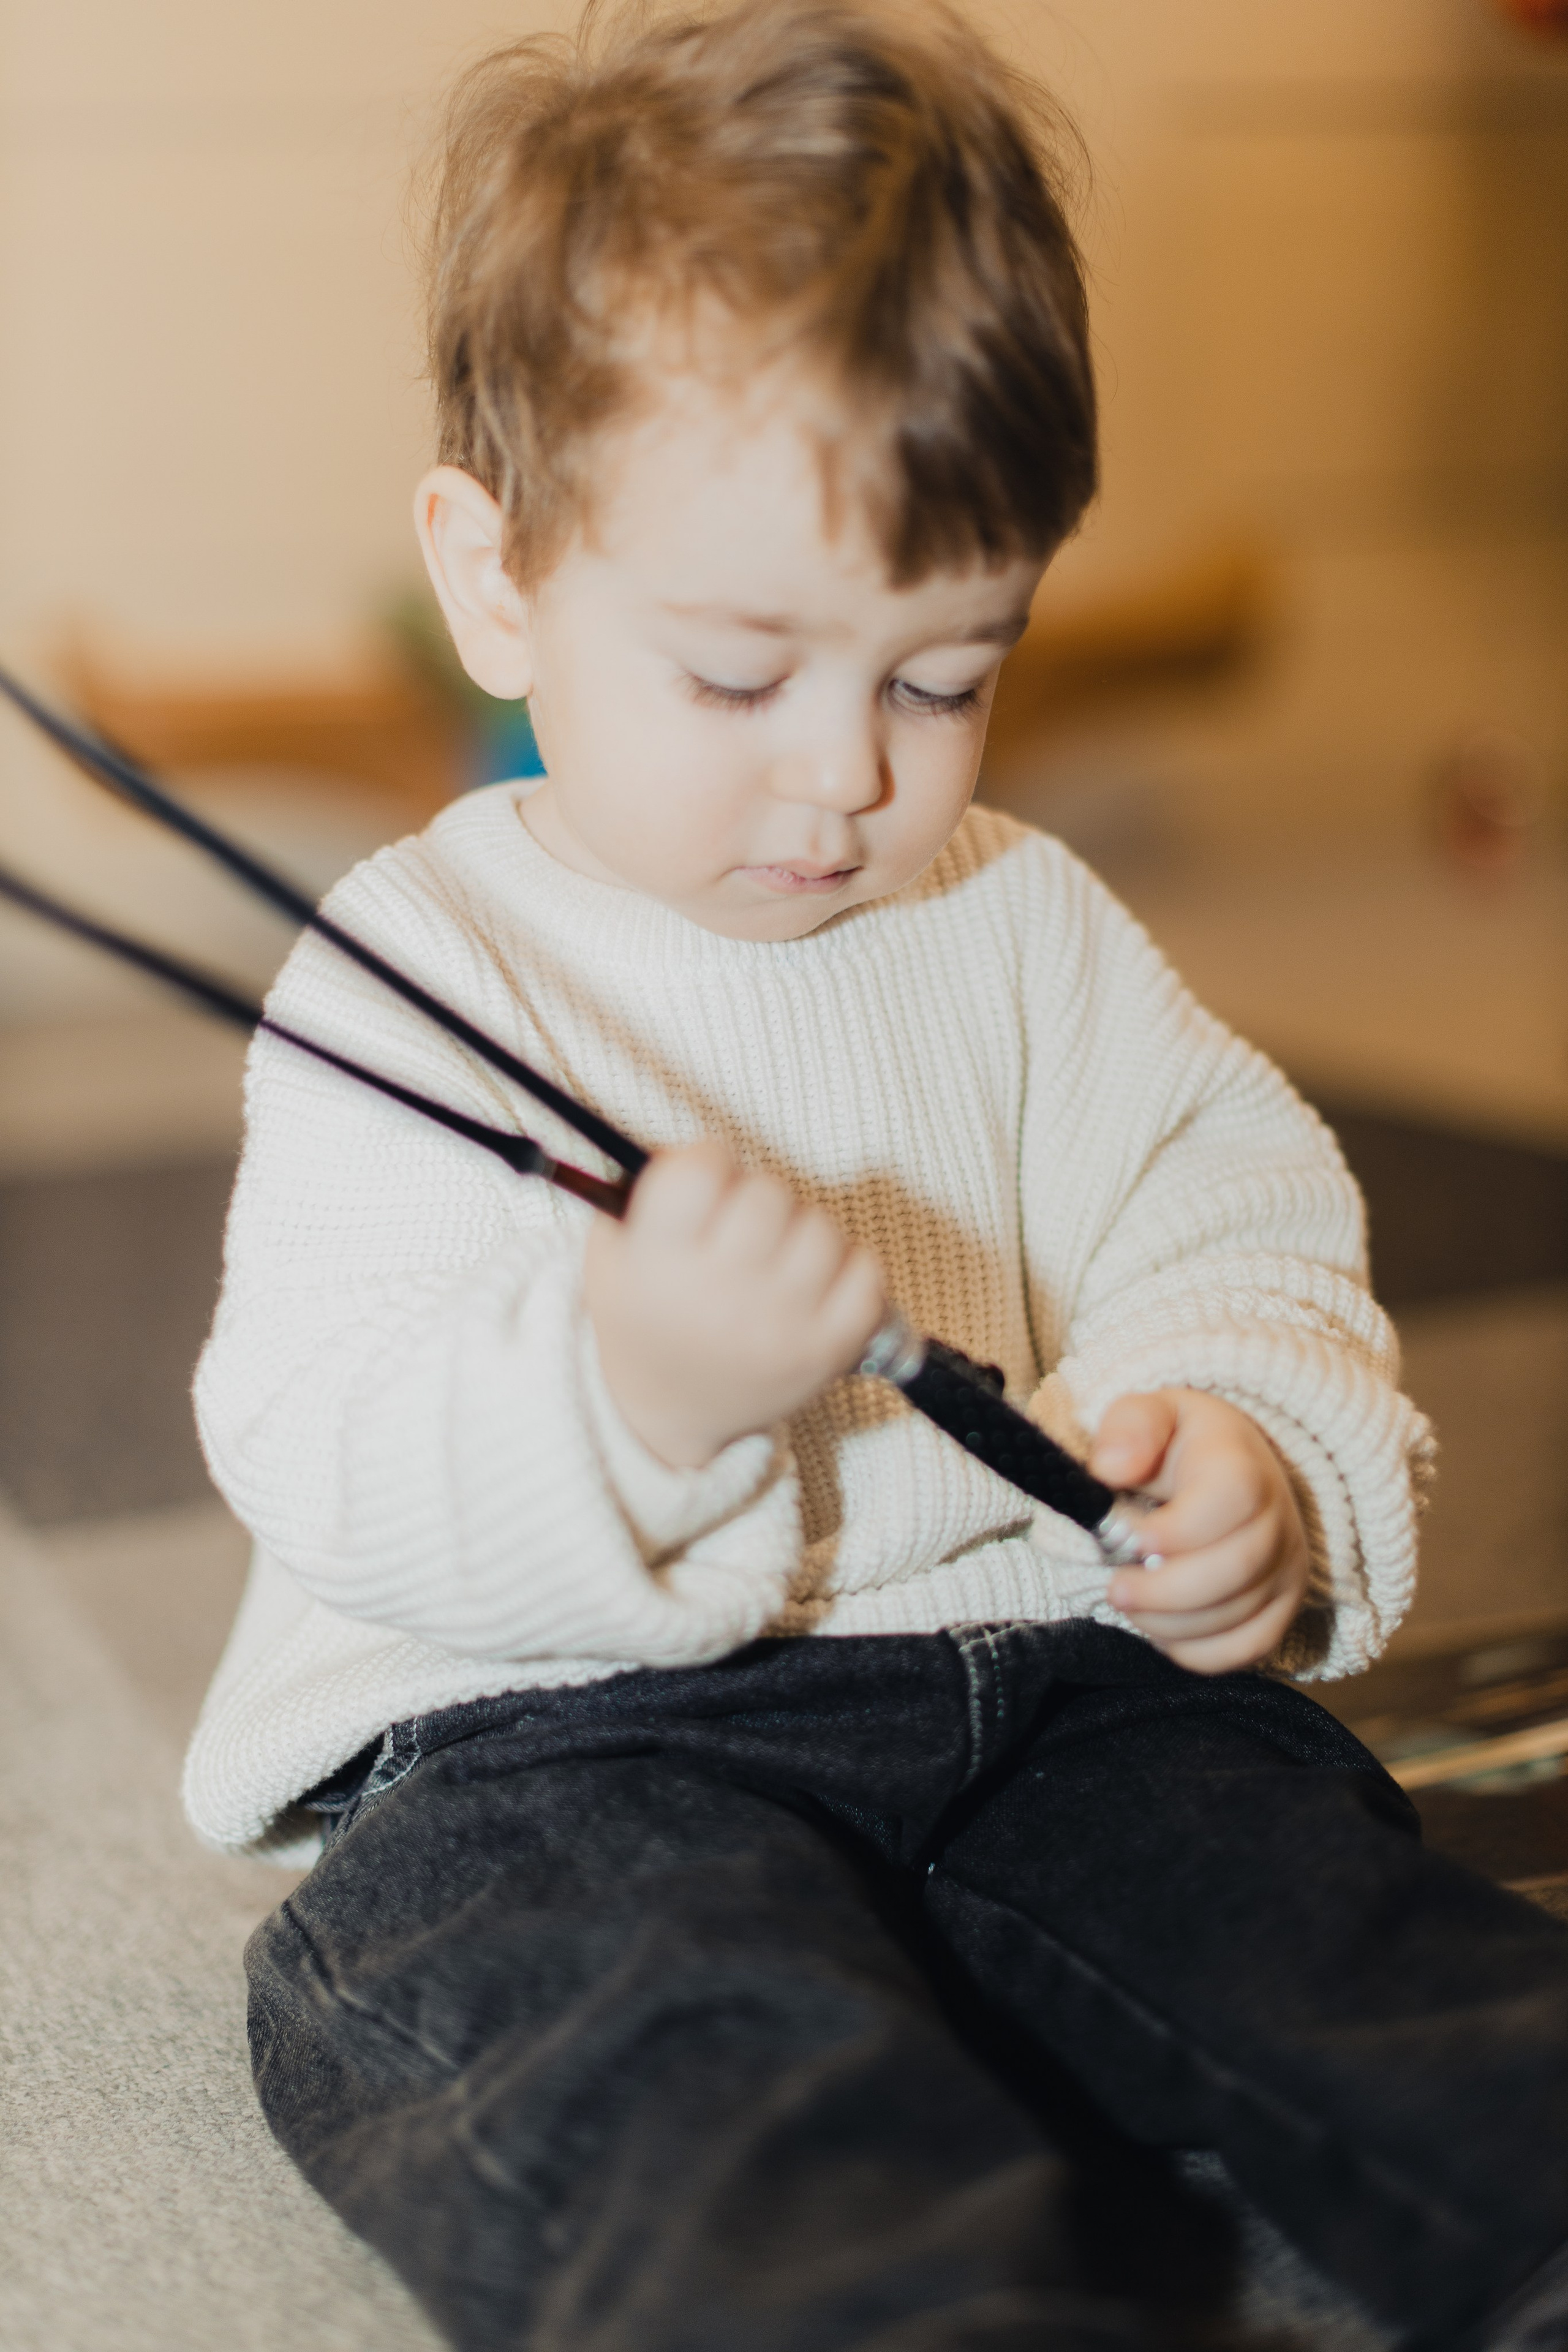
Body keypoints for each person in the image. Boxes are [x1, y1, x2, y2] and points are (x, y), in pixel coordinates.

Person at [186, 4, 1568, 2346]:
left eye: (944, 677)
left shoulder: (1015, 918)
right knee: (667, 2052)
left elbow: (1233, 1210)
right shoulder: (418, 962)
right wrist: (626, 1393)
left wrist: (1255, 1452)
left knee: (1335, 1914)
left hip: (1038, 1679)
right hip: (560, 1736)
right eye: (741, 677)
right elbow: (314, 1436)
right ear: (496, 577)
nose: (845, 777)